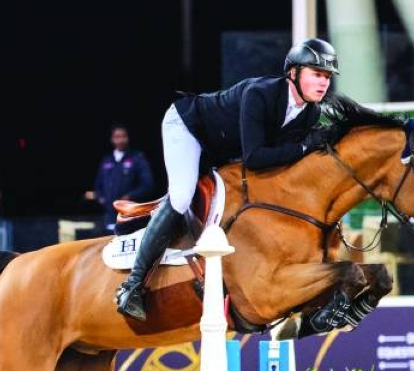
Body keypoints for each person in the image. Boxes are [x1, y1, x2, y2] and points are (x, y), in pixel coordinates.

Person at [115, 37, 340, 321]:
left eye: (328, 77)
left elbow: (283, 162)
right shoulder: (260, 94)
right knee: (183, 196)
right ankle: (132, 286)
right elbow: (257, 157)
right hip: (188, 127)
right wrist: (307, 147)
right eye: (317, 74)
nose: (323, 83)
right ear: (293, 73)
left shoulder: (311, 113)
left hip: (221, 149)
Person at [84, 125, 155, 232]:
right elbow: (98, 185)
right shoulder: (107, 160)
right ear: (112, 139)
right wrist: (101, 198)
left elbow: (148, 185)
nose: (121, 140)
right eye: (117, 137)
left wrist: (130, 196)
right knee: (107, 243)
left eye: (123, 136)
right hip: (108, 216)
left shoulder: (137, 158)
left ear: (128, 138)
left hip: (129, 215)